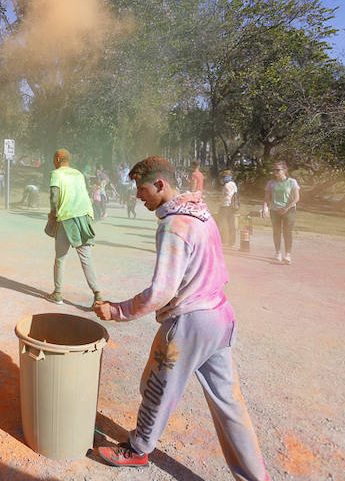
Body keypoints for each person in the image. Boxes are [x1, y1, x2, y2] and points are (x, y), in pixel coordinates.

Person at [92, 156, 269, 480]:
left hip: (191, 322)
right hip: (220, 316)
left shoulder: (173, 226)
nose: (137, 196)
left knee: (156, 386)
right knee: (229, 405)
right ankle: (256, 477)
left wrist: (117, 310)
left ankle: (137, 450)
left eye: (141, 188)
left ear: (160, 184)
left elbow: (162, 291)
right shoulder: (200, 213)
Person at [46, 149, 103, 305]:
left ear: (57, 159)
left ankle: (57, 294)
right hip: (84, 216)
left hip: (67, 218)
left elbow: (54, 197)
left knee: (60, 258)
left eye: (53, 158)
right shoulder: (78, 174)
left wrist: (53, 214)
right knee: (86, 258)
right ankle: (97, 294)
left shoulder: (56, 174)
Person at [263, 161, 300, 264]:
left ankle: (288, 254)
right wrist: (264, 208)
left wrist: (286, 208)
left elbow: (296, 198)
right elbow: (266, 198)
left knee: (287, 232)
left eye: (278, 170)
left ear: (285, 171)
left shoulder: (292, 182)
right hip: (274, 210)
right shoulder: (271, 183)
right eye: (274, 170)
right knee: (276, 231)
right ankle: (278, 252)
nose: (275, 172)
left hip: (289, 210)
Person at [218, 170, 239, 248]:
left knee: (220, 223)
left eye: (225, 176)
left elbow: (226, 196)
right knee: (231, 224)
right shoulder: (234, 184)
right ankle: (232, 242)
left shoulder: (227, 185)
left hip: (225, 206)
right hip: (231, 207)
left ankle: (217, 240)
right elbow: (235, 195)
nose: (224, 178)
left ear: (229, 176)